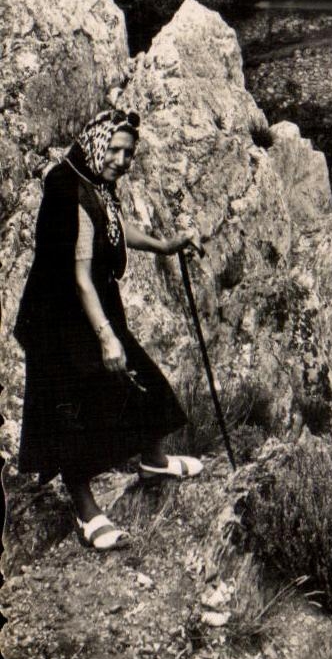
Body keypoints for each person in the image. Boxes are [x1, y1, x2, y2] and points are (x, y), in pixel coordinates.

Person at [14, 107, 203, 551]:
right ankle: (85, 511)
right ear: (97, 143)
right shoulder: (67, 188)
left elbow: (113, 229)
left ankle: (154, 461)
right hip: (59, 319)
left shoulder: (95, 182)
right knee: (74, 412)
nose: (121, 159)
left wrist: (163, 245)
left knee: (140, 379)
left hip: (91, 303)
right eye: (115, 150)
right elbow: (78, 277)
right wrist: (106, 335)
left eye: (128, 153)